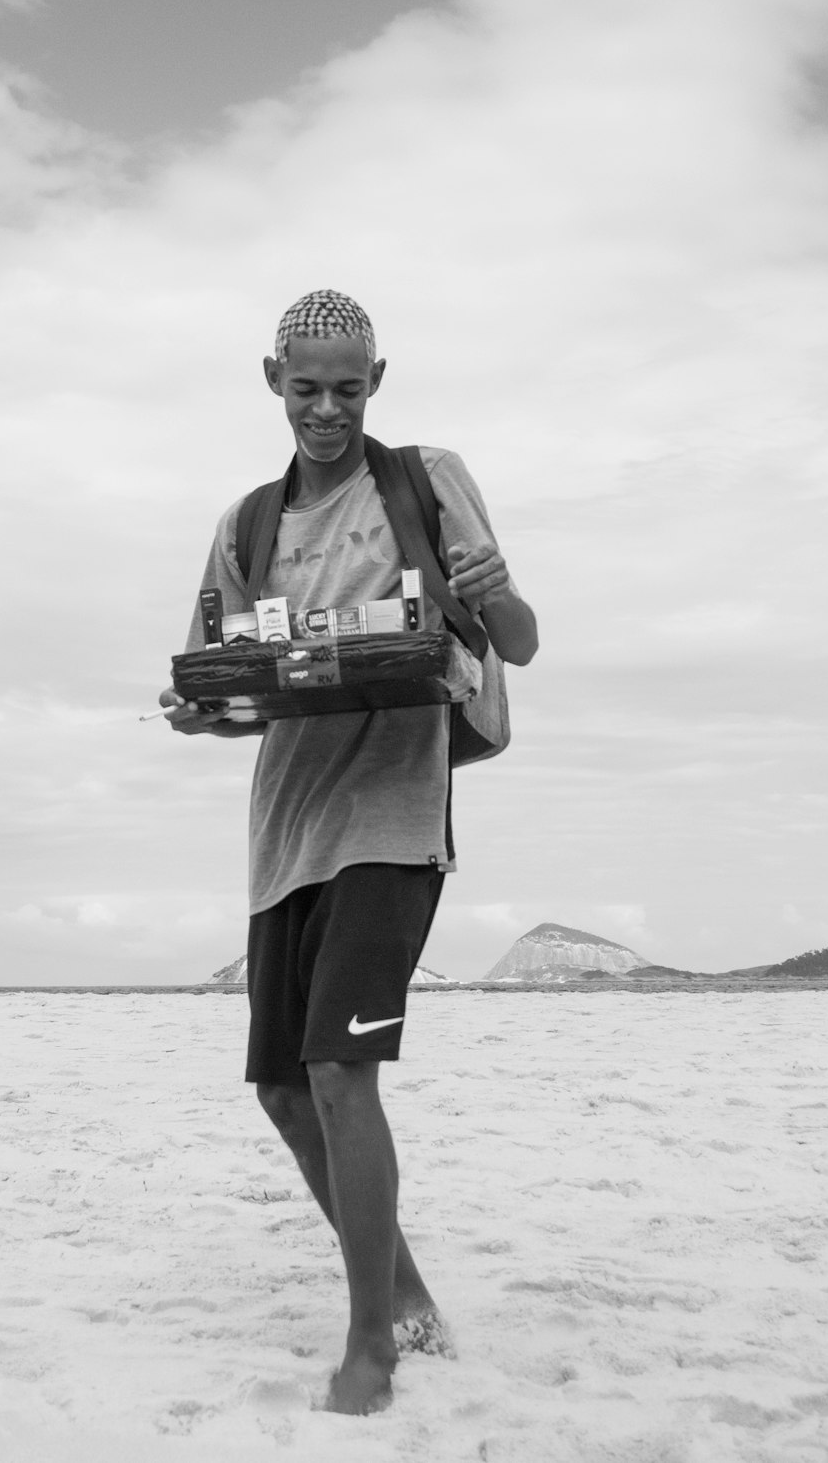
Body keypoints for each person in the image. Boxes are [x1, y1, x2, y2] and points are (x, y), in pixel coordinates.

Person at [160, 289, 538, 1414]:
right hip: (285, 828)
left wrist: (495, 594)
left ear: (379, 381)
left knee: (338, 1070)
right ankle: (409, 1291)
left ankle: (370, 1342)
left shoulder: (424, 478)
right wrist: (199, 712)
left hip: (391, 816)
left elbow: (518, 640)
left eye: (350, 387)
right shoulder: (246, 523)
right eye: (308, 387)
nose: (328, 409)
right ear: (270, 378)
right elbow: (223, 682)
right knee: (281, 1092)